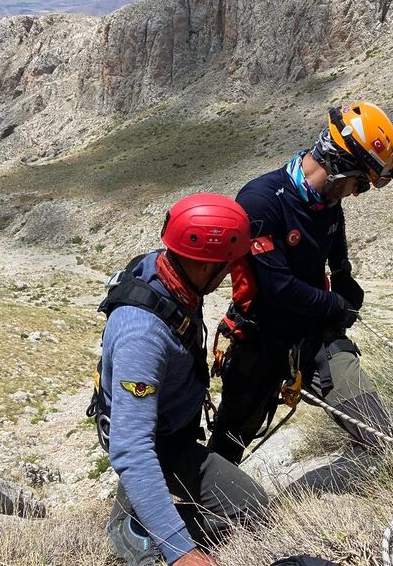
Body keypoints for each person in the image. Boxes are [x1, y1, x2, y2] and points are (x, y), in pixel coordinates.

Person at [207, 101, 393, 464]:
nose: (356, 194)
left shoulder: (327, 202)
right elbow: (276, 286)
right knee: (227, 447)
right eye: (358, 185)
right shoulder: (261, 202)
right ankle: (197, 511)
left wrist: (342, 273)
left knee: (375, 427)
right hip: (261, 341)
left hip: (313, 336)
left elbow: (334, 233)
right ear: (338, 168)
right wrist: (334, 304)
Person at [90, 193, 268, 566]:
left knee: (252, 508)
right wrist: (181, 551)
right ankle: (131, 530)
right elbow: (133, 448)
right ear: (207, 267)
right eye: (227, 266)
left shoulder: (173, 274)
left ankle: (150, 517)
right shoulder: (142, 335)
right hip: (155, 444)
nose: (229, 274)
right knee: (158, 554)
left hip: (176, 437)